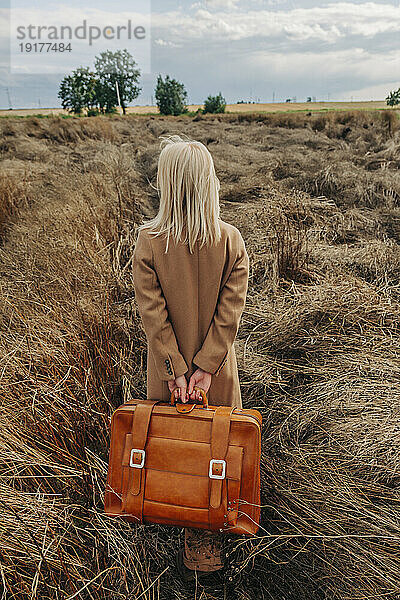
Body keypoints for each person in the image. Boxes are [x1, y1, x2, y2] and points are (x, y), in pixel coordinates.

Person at [132, 133, 249, 585]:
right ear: (207, 185)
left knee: (178, 451)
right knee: (217, 450)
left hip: (171, 379)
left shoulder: (148, 241)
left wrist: (176, 372)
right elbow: (230, 312)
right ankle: (212, 533)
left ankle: (183, 524)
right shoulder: (231, 240)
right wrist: (205, 368)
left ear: (169, 183)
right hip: (215, 377)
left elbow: (153, 315)